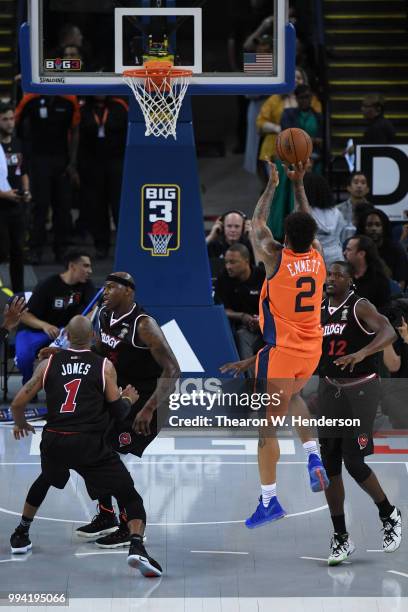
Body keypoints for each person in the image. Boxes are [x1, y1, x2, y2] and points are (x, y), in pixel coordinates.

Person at [10, 316, 162, 577]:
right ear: (93, 337)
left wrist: (21, 424)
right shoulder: (104, 366)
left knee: (45, 479)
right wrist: (128, 397)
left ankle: (21, 533)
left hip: (55, 440)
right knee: (130, 496)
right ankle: (136, 546)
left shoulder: (48, 363)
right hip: (89, 443)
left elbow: (17, 403)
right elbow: (118, 412)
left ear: (66, 336)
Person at [236, 160, 329, 528]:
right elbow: (307, 221)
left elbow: (256, 223)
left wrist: (274, 185)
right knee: (294, 399)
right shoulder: (319, 256)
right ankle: (313, 457)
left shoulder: (274, 258)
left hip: (282, 353)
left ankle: (269, 500)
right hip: (312, 351)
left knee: (267, 430)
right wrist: (300, 184)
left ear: (285, 238)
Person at [73, 272, 180, 547]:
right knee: (89, 448)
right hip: (121, 396)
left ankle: (127, 525)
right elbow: (100, 348)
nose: (105, 292)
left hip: (147, 399)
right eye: (104, 287)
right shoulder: (105, 315)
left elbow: (173, 369)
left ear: (129, 292)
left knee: (108, 458)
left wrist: (149, 408)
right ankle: (107, 515)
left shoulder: (143, 325)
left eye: (111, 288)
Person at [318, 261, 401, 565]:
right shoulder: (319, 309)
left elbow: (389, 331)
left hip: (362, 389)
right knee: (329, 466)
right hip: (330, 389)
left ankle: (389, 513)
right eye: (329, 274)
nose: (331, 279)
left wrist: (363, 352)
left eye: (338, 274)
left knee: (353, 461)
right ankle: (341, 537)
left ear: (350, 280)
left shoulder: (359, 305)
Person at [15, 93, 80, 264]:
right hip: (38, 160)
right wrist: (24, 160)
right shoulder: (30, 98)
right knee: (40, 206)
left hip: (61, 160)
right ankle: (35, 249)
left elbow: (75, 130)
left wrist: (72, 163)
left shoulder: (69, 99)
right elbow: (17, 126)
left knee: (63, 207)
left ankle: (62, 249)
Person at [15, 251, 95, 384]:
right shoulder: (48, 284)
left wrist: (75, 324)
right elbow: (23, 315)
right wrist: (45, 325)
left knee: (86, 351)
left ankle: (67, 388)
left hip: (65, 332)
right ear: (72, 266)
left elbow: (94, 310)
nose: (90, 271)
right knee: (24, 357)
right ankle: (29, 385)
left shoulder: (87, 285)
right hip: (35, 330)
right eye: (85, 266)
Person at [77, 96, 128, 259]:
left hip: (116, 162)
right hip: (93, 164)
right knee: (97, 207)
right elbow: (78, 139)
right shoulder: (83, 109)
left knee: (119, 206)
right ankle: (101, 245)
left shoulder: (119, 107)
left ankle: (125, 245)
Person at [214, 243, 264, 367]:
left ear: (246, 261)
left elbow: (277, 305)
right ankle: (251, 383)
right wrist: (242, 316)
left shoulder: (263, 276)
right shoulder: (224, 278)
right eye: (226, 262)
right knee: (242, 336)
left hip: (268, 326)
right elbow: (220, 309)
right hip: (244, 328)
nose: (228, 266)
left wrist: (263, 321)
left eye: (233, 262)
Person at [0, 103, 31, 292]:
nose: (10, 123)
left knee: (18, 252)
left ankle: (19, 294)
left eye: (12, 118)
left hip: (17, 206)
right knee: (2, 252)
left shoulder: (18, 143)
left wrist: (26, 190)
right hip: (1, 206)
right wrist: (5, 194)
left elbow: (24, 171)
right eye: (5, 119)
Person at [355, 207, 408, 290]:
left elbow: (401, 286)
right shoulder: (356, 249)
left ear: (384, 228)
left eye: (377, 225)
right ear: (363, 228)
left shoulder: (396, 249)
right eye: (369, 225)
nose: (374, 229)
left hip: (391, 297)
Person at [303, 173, 346, 267]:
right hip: (337, 258)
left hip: (313, 260)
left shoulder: (303, 213)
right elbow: (342, 237)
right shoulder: (337, 213)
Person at [281, 85, 323, 173]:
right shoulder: (288, 115)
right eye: (301, 97)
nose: (305, 100)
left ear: (311, 97)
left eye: (307, 97)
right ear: (296, 98)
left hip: (315, 155)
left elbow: (321, 140)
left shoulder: (319, 117)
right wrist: (312, 140)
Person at [343, 235, 391, 310]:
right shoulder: (343, 275)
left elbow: (384, 311)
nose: (344, 253)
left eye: (349, 250)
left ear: (361, 254)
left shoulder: (379, 280)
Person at [337, 172, 372, 242]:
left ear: (368, 189)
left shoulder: (372, 210)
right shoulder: (338, 210)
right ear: (348, 187)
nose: (359, 186)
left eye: (363, 183)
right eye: (356, 182)